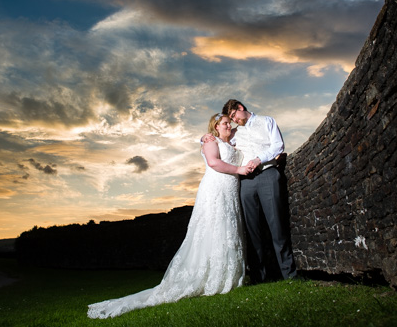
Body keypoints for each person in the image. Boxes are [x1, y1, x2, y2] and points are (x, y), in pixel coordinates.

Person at [87, 114, 252, 319]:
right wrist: (239, 169)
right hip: (216, 188)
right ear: (215, 127)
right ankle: (211, 276)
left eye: (230, 122)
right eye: (225, 123)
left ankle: (230, 274)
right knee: (213, 227)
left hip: (230, 188)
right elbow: (213, 162)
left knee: (229, 227)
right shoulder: (212, 141)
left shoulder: (234, 139)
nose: (229, 125)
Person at [204, 99, 297, 283]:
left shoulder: (267, 121)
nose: (233, 121)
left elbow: (278, 146)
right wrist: (204, 137)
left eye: (233, 116)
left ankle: (289, 274)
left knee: (277, 225)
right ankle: (258, 276)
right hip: (246, 182)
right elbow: (218, 140)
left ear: (240, 108)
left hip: (268, 174)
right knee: (252, 228)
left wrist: (258, 159)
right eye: (229, 119)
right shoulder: (235, 133)